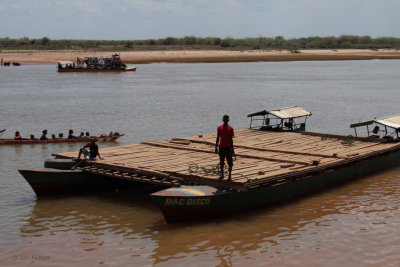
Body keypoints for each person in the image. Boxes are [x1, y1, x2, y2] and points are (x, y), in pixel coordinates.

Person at [215, 115, 235, 181]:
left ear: (228, 120)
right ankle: (222, 175)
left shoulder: (231, 128)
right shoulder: (219, 128)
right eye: (224, 119)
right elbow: (218, 138)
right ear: (223, 120)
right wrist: (216, 147)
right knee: (221, 162)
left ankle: (229, 176)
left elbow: (231, 140)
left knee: (230, 162)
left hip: (228, 148)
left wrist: (233, 150)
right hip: (221, 147)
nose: (225, 120)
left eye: (226, 119)